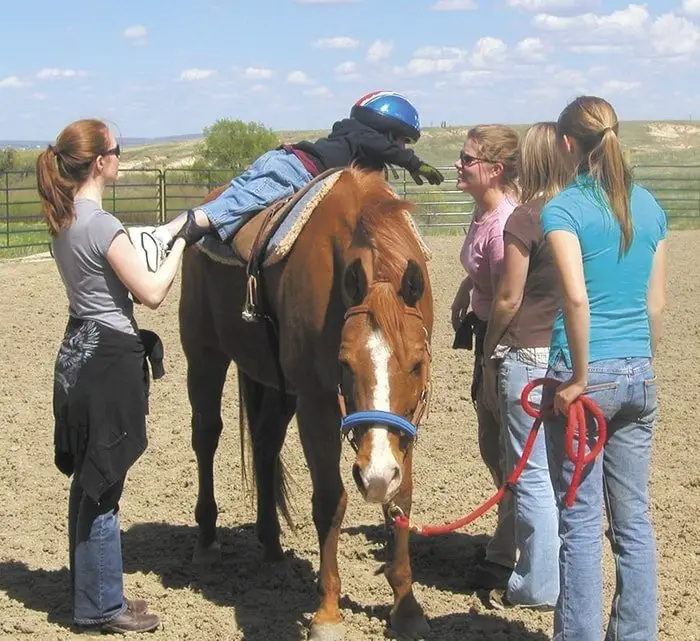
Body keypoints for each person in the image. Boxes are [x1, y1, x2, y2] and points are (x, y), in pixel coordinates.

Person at [36, 119, 206, 633]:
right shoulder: (101, 225)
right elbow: (150, 292)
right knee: (105, 488)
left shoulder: (62, 220)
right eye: (116, 149)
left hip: (76, 352)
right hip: (108, 359)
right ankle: (101, 609)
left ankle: (96, 595)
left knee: (88, 482)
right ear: (101, 162)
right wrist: (182, 242)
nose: (119, 155)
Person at [541, 96, 667, 641]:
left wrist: (578, 379)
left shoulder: (563, 209)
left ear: (568, 144)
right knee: (634, 522)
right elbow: (656, 305)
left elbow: (575, 298)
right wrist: (641, 361)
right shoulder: (651, 206)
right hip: (640, 374)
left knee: (581, 524)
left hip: (587, 378)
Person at [127, 91, 445, 270]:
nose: (400, 150)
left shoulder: (351, 134)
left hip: (286, 164)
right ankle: (159, 237)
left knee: (232, 203)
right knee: (231, 207)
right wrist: (414, 163)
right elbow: (380, 147)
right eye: (401, 141)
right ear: (386, 131)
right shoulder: (363, 136)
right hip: (290, 172)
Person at [480, 122, 570, 610]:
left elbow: (509, 297)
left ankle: (535, 584)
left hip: (528, 355)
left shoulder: (527, 218)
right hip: (575, 356)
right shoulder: (583, 213)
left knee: (528, 473)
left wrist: (492, 349)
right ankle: (564, 573)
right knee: (564, 473)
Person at [450, 124, 520, 590]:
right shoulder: (482, 215)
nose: (458, 164)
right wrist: (464, 291)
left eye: (468, 159)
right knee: (491, 444)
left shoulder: (504, 225)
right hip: (488, 340)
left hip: (506, 345)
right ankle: (512, 539)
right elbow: (485, 279)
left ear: (495, 171)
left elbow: (508, 298)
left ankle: (506, 554)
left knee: (507, 452)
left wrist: (492, 355)